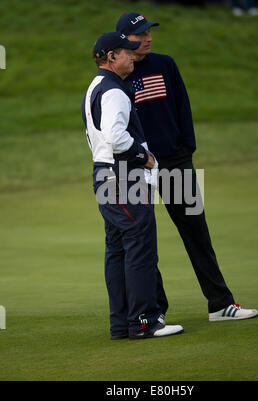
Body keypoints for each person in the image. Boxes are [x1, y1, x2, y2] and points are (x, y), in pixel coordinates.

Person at [115, 13, 258, 322]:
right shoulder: (119, 74)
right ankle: (155, 312)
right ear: (125, 40)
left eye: (149, 32)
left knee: (196, 232)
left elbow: (183, 105)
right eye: (141, 34)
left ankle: (220, 304)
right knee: (142, 240)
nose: (149, 38)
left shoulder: (165, 64)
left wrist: (186, 149)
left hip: (175, 162)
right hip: (138, 167)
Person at [82, 31, 183, 339]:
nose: (134, 56)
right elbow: (114, 137)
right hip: (124, 176)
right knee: (139, 247)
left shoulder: (96, 86)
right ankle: (145, 322)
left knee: (117, 249)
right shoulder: (114, 90)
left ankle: (123, 323)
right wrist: (144, 156)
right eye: (127, 52)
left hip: (104, 175)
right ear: (111, 56)